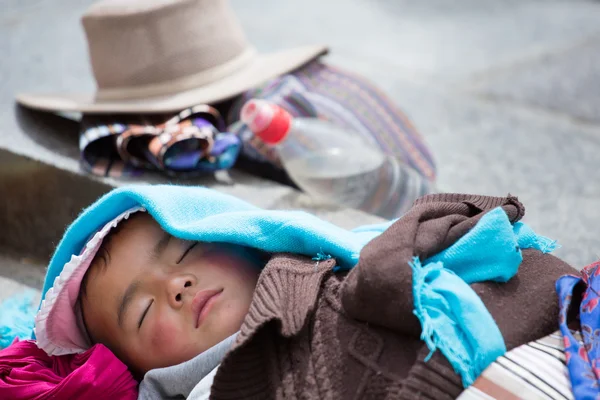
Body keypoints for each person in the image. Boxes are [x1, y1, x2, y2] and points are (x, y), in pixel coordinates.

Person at [30, 185, 575, 399]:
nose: (177, 287)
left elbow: (505, 260)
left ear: (239, 237)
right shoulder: (203, 390)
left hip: (521, 354)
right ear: (138, 367)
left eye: (185, 254)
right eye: (144, 310)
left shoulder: (345, 264)